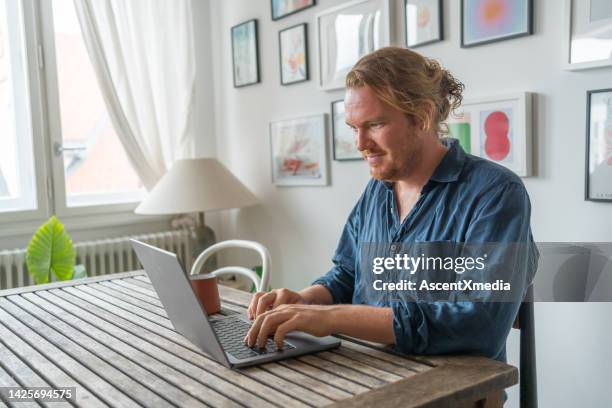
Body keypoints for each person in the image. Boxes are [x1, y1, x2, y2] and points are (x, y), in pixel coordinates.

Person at [245, 47, 538, 363]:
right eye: (353, 128)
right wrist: (304, 300)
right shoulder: (377, 190)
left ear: (422, 116)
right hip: (367, 370)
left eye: (374, 125)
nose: (360, 144)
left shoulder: (495, 193)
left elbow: (482, 322)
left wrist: (331, 318)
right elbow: (348, 274)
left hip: (451, 389)